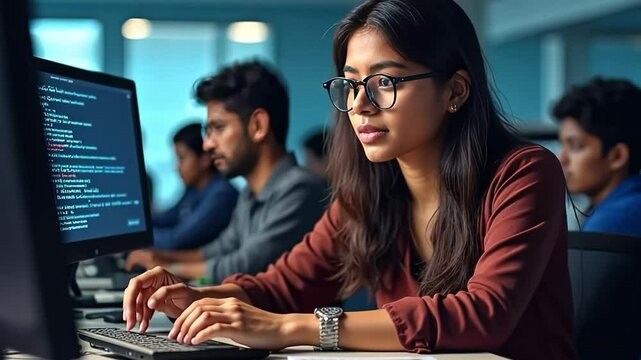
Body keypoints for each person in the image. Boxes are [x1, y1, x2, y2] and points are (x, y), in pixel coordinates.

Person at [122, 1, 575, 359]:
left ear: (454, 91)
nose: (360, 104)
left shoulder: (524, 173)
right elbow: (285, 285)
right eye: (351, 83)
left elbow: (483, 314)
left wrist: (293, 327)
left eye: (385, 82)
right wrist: (200, 297)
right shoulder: (370, 190)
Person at [125, 61, 328, 283]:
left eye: (218, 128)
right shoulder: (249, 193)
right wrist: (160, 257)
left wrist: (169, 267)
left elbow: (245, 265)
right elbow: (220, 249)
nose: (207, 145)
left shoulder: (300, 189)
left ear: (258, 126)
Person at [553, 77, 641, 236]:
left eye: (575, 146)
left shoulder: (613, 220)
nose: (562, 158)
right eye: (562, 146)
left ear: (617, 157)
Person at [151, 122, 238, 250]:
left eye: (181, 159)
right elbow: (166, 219)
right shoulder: (192, 190)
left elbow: (175, 241)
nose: (176, 167)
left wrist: (135, 237)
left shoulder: (221, 195)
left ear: (204, 159)